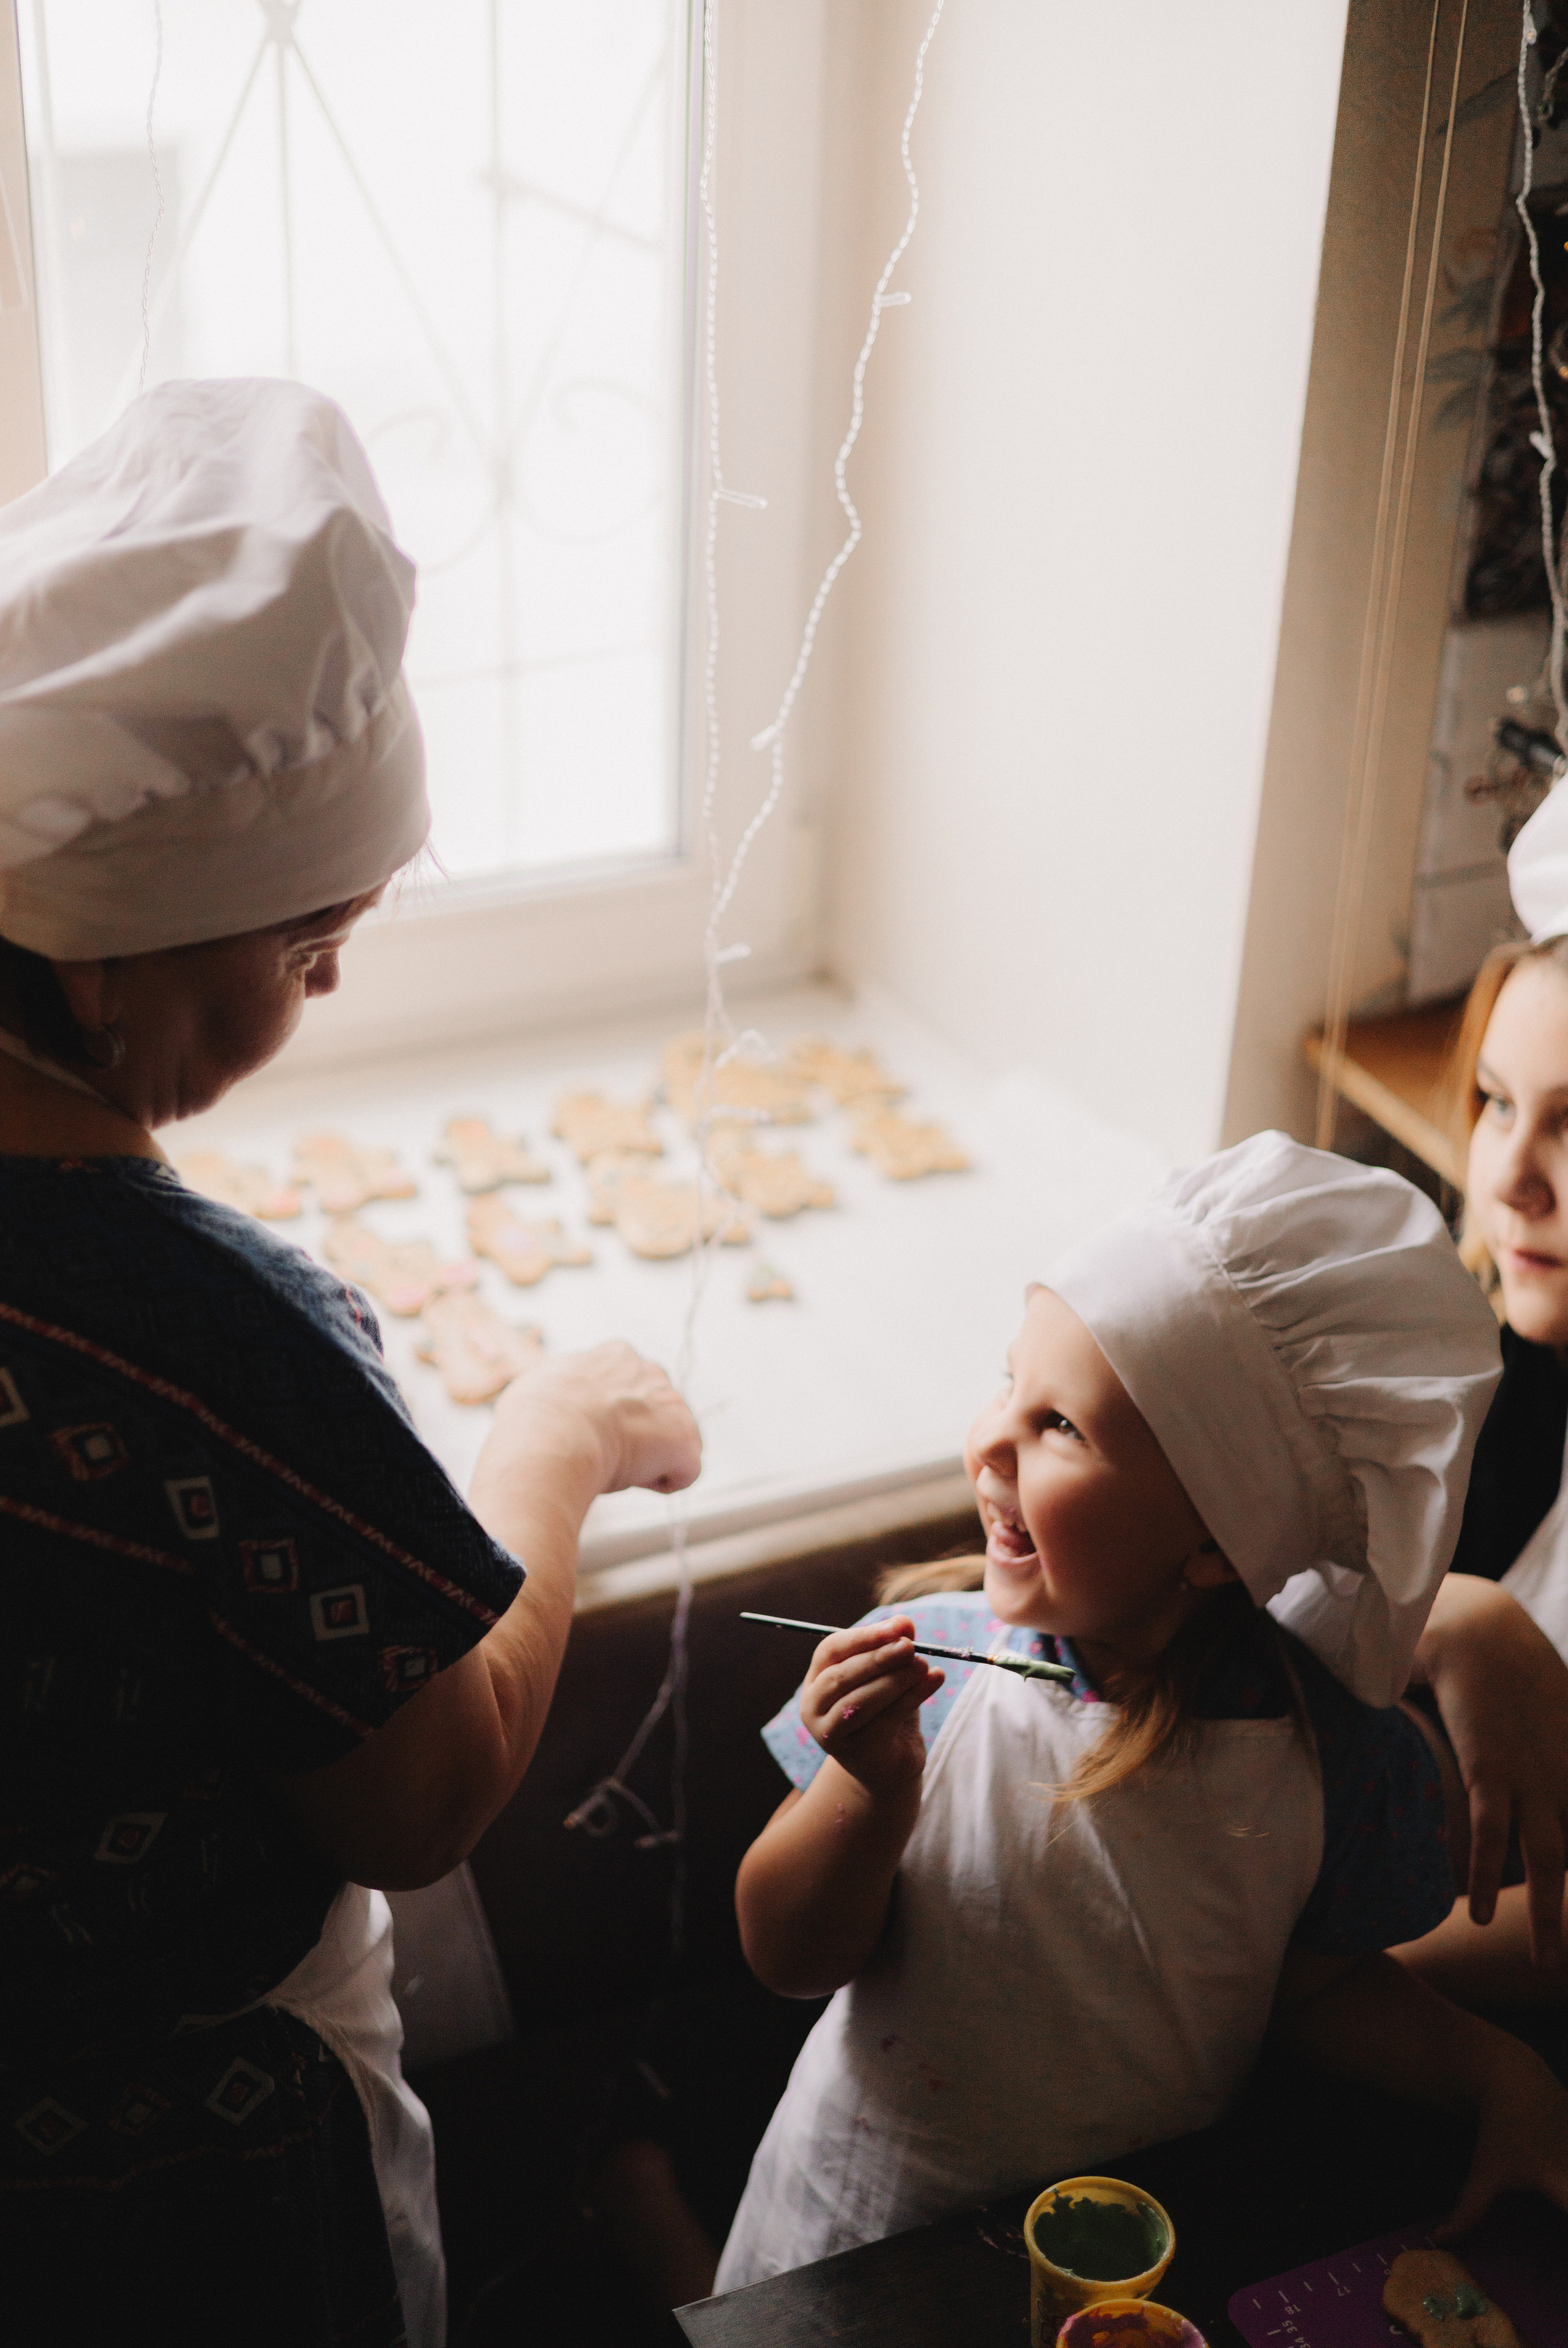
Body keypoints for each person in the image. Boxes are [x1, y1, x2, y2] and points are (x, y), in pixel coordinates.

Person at [0, 379, 701, 2346]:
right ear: (113, 951)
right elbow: (424, 1800)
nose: (329, 985)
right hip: (167, 2211)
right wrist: (552, 1438)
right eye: (308, 951)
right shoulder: (220, 1345)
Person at [712, 1133, 1568, 2290]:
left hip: (1120, 2271)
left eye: (1060, 1426)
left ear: (1217, 1539)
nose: (990, 1442)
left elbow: (1315, 1993)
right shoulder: (935, 1678)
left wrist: (1499, 2075)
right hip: (853, 2250)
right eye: (1008, 1384)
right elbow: (785, 1954)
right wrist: (869, 1790)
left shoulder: (1335, 1762)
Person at [1392, 776, 1568, 2008]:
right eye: (1498, 1105)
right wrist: (1454, 1617)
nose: (1506, 1179)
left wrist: (1291, 1995)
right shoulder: (1495, 1360)